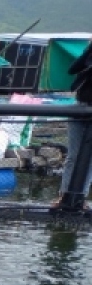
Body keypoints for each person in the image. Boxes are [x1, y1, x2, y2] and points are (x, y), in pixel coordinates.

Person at [54, 40, 92, 212]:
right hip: (80, 105)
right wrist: (89, 50)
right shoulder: (89, 55)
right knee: (73, 155)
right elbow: (73, 69)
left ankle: (79, 197)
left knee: (89, 159)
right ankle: (64, 195)